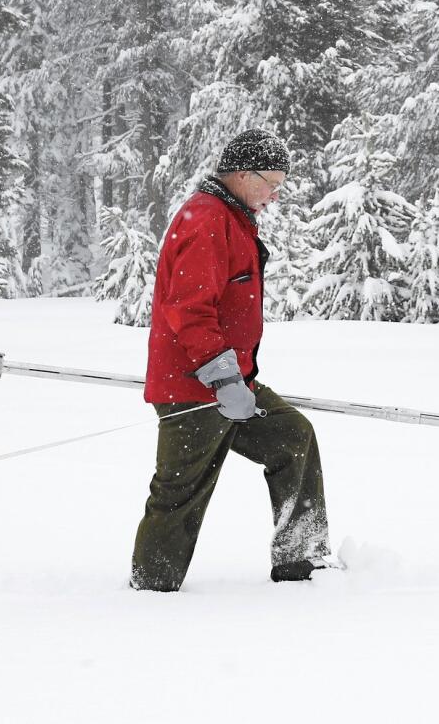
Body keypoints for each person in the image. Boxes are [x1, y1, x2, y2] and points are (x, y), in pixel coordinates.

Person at [131, 129, 335, 592]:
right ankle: (150, 591)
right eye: (271, 183)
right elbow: (189, 308)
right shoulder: (205, 220)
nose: (275, 194)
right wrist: (223, 380)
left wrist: (234, 381)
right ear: (243, 175)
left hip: (233, 385)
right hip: (195, 388)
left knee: (291, 436)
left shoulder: (233, 218)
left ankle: (301, 561)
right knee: (180, 493)